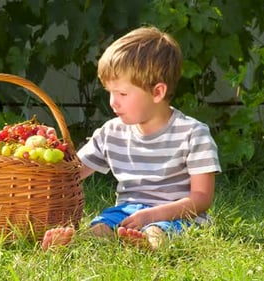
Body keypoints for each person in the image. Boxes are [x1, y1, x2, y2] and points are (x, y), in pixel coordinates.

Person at [42, 26, 221, 251]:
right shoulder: (111, 133)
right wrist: (52, 148)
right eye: (110, 92)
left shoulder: (193, 134)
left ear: (157, 92)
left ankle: (150, 244)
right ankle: (73, 244)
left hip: (176, 214)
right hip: (127, 212)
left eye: (122, 94)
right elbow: (72, 172)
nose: (112, 102)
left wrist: (154, 215)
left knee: (158, 228)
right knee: (101, 227)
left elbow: (202, 198)